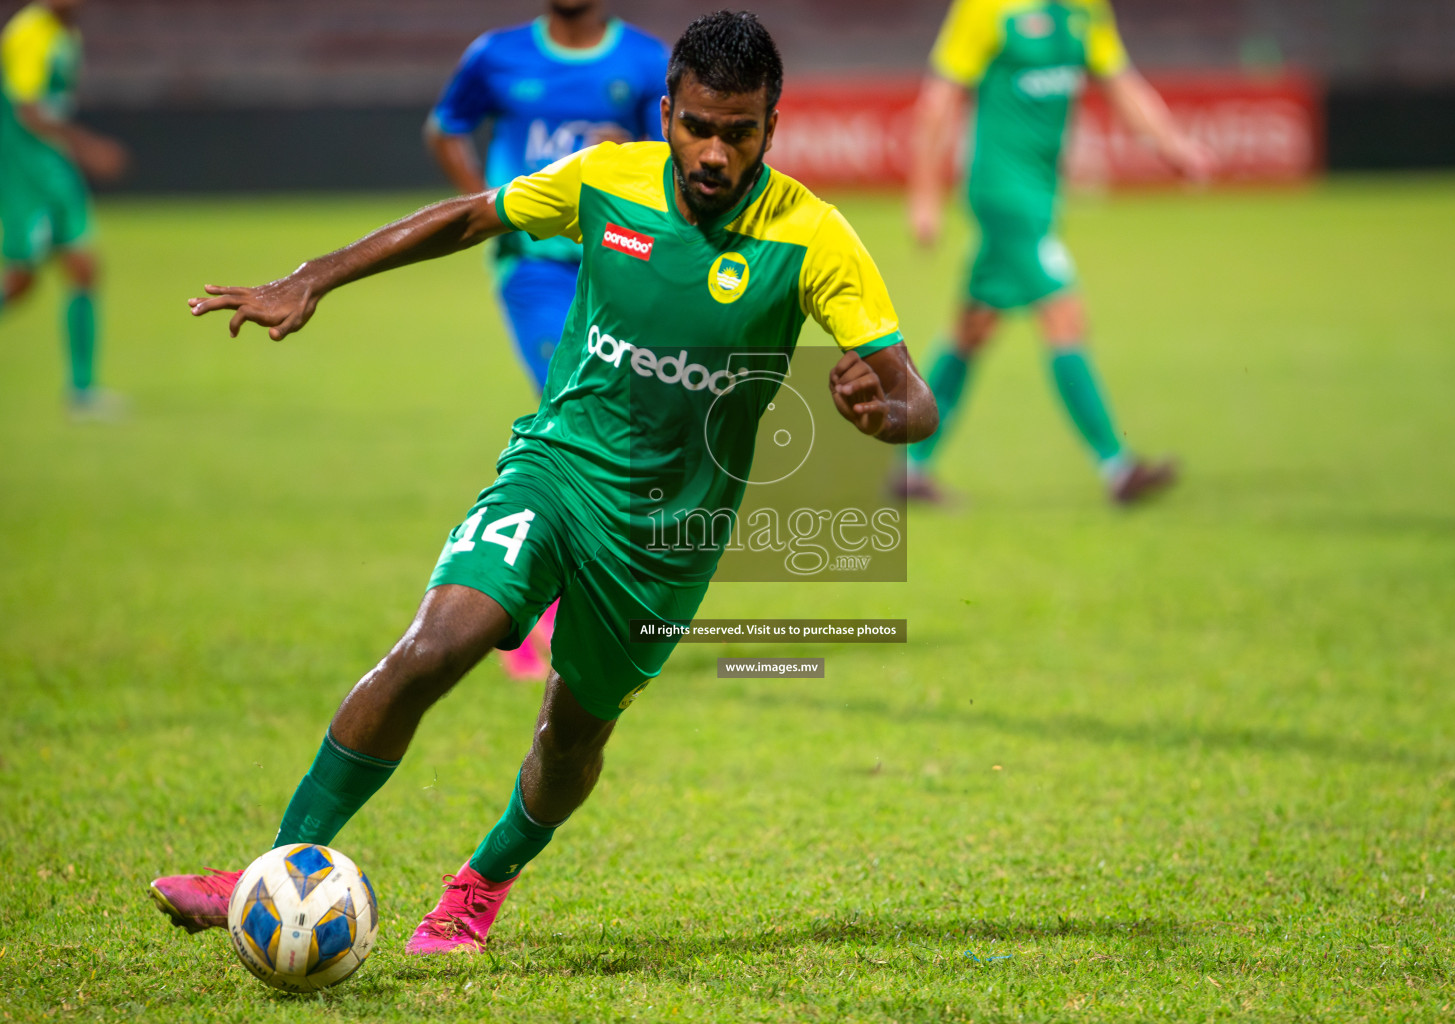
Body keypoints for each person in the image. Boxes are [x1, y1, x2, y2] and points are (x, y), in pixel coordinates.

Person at [147, 12, 936, 957]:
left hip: (664, 541)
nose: (716, 152)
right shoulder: (609, 178)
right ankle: (273, 868)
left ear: (773, 126)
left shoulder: (815, 238)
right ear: (666, 112)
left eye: (740, 132)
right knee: (435, 646)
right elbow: (472, 215)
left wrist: (883, 413)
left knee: (570, 739)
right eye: (697, 126)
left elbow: (913, 399)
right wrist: (317, 274)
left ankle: (480, 885)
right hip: (555, 471)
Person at [427, 0, 668, 681]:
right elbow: (445, 128)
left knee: (622, 431)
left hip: (614, 269)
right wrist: (485, 206)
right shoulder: (494, 55)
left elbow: (666, 164)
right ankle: (535, 614)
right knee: (575, 422)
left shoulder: (645, 62)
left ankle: (575, 602)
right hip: (532, 269)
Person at [902, 0, 1212, 505]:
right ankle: (1118, 468)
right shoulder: (985, 10)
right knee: (1063, 312)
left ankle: (910, 469)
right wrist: (924, 196)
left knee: (973, 328)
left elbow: (1122, 83)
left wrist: (1172, 147)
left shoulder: (1088, 9)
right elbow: (938, 102)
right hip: (1002, 194)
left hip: (1043, 194)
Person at [0, 0, 127, 417]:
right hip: (24, 173)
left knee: (84, 268)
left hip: (53, 167)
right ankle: (82, 391)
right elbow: (28, 111)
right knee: (20, 282)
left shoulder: (65, 33)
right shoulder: (27, 34)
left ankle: (82, 391)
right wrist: (87, 146)